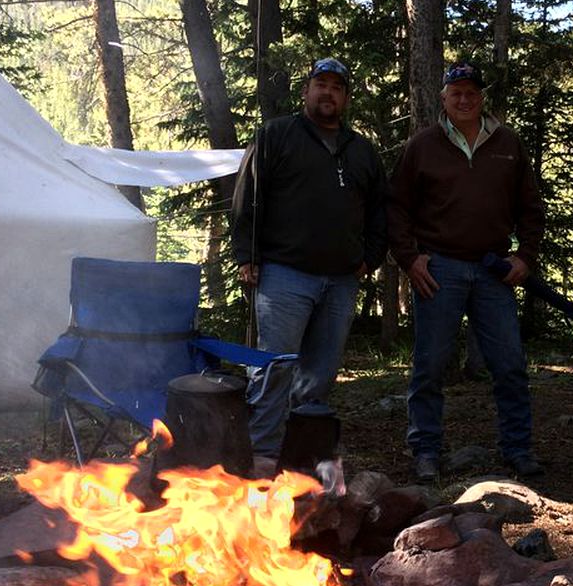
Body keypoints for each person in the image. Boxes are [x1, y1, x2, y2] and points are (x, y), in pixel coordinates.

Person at [388, 62, 546, 483]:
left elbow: (531, 208)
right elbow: (397, 208)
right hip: (439, 269)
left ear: (481, 97)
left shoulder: (508, 144)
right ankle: (425, 449)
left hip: (494, 270)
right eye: (455, 92)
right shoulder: (423, 145)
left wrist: (525, 257)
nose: (463, 99)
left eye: (471, 92)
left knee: (510, 363)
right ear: (443, 98)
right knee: (430, 365)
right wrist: (409, 258)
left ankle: (517, 447)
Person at [231, 57, 387, 460]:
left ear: (346, 98)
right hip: (285, 275)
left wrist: (369, 257)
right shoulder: (276, 135)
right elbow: (247, 195)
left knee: (319, 376)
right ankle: (263, 456)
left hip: (341, 279)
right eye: (321, 85)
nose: (328, 93)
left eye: (337, 87)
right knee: (274, 368)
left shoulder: (361, 151)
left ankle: (300, 458)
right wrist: (246, 256)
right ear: (306, 91)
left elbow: (380, 211)